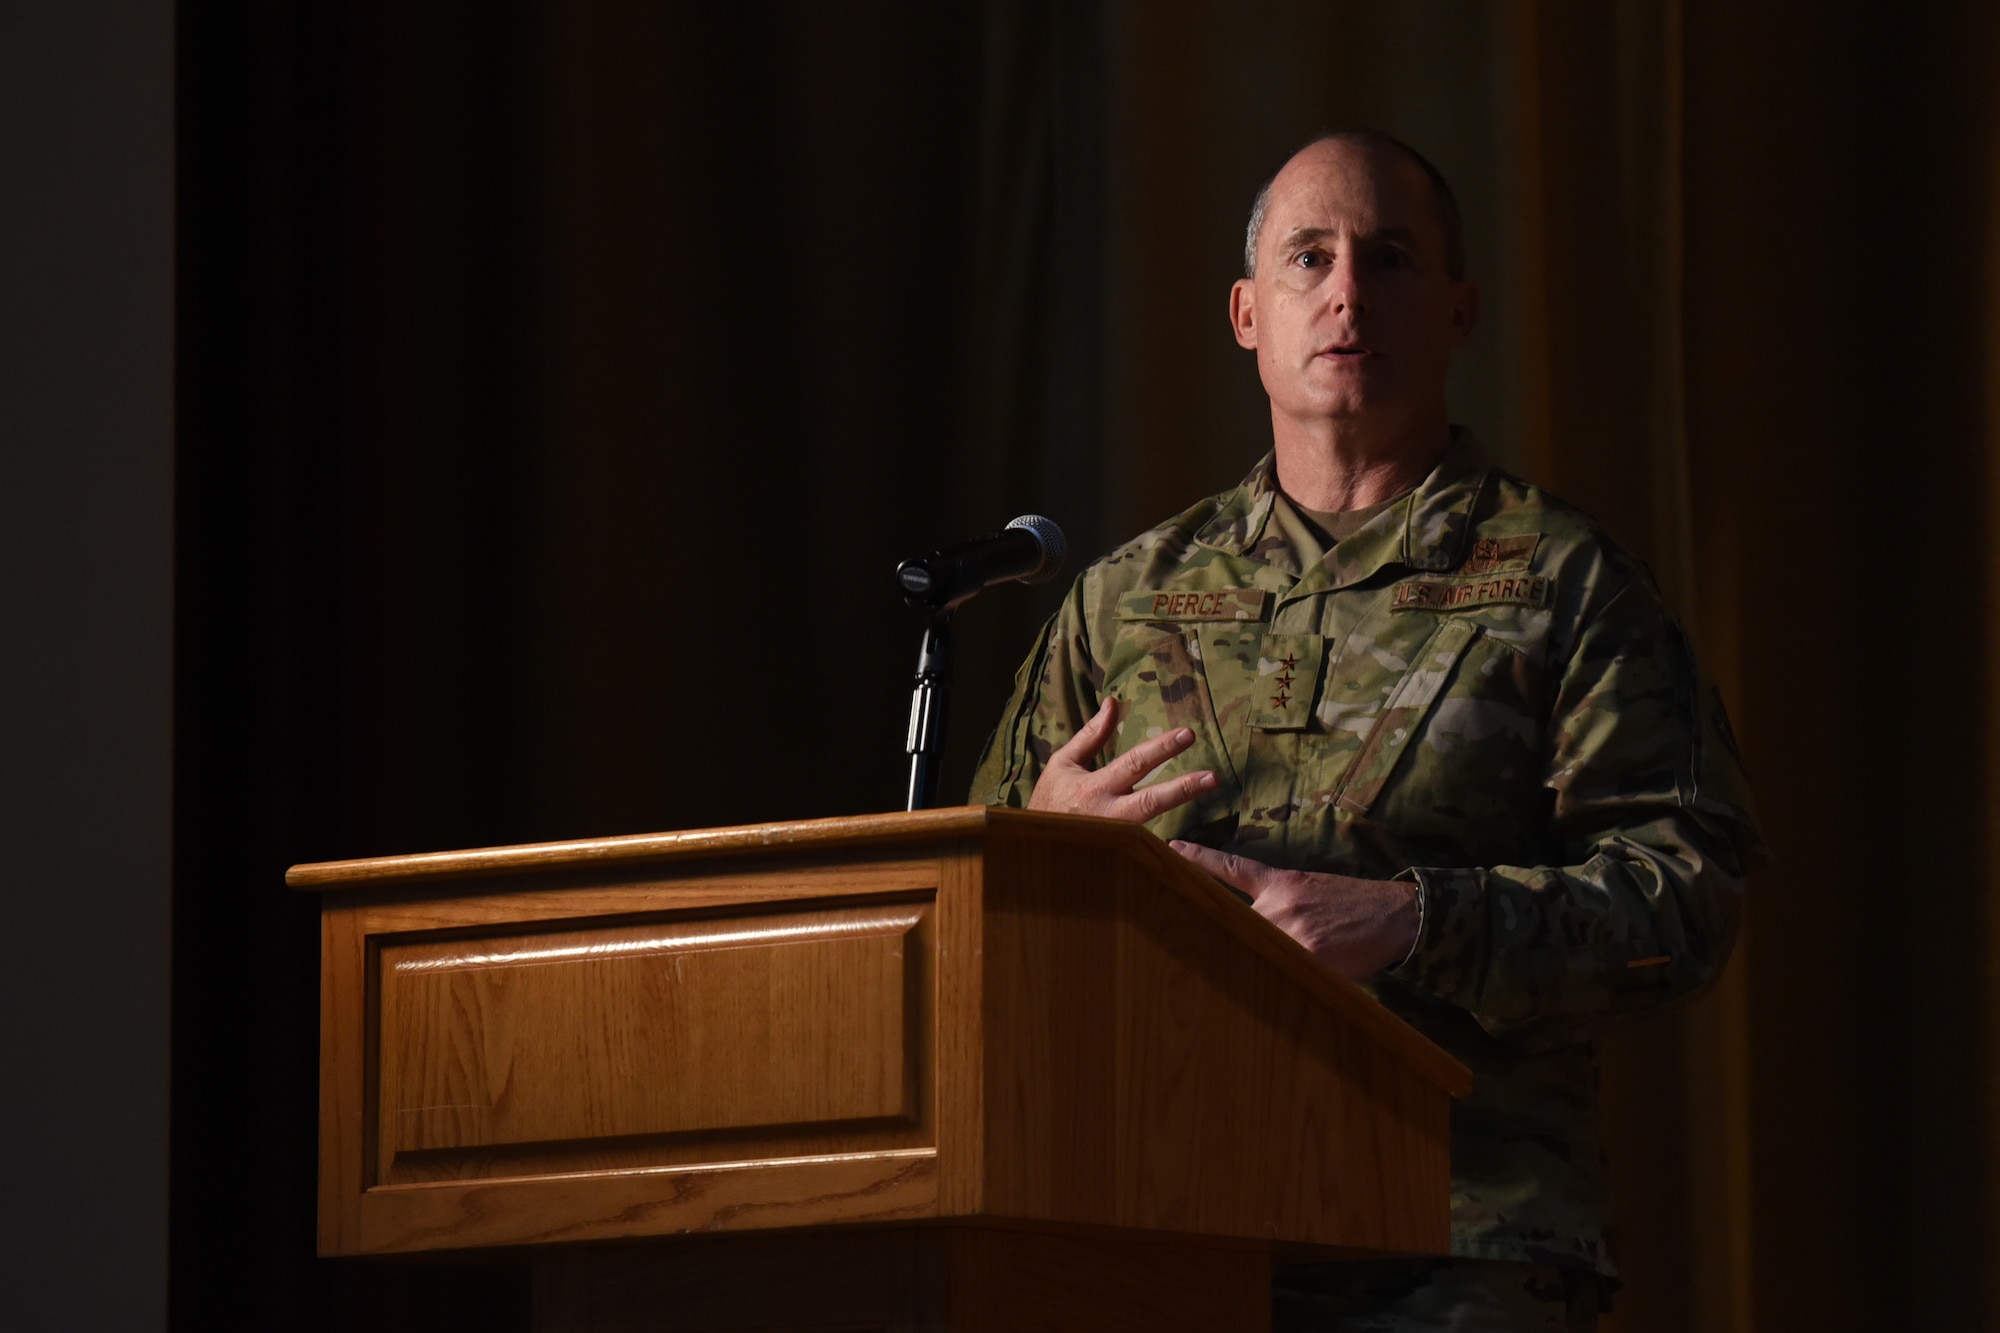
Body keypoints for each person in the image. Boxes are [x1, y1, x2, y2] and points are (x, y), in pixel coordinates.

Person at [969, 131, 1766, 1331]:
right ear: (1247, 313)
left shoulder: (1563, 583)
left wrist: (1413, 919)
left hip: (1454, 1234)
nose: (1346, 291)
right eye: (1308, 257)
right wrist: (1041, 853)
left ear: (1457, 310)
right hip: (1152, 1221)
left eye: (1388, 258)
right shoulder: (1123, 599)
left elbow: (1684, 899)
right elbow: (962, 901)